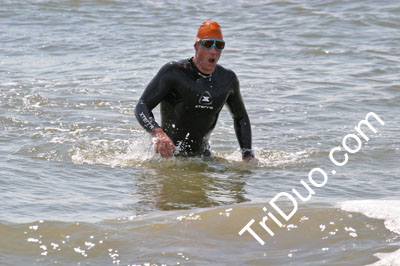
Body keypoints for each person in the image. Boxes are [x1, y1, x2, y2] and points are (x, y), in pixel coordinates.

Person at [135, 21, 254, 161]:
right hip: (167, 155)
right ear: (196, 46)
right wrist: (157, 132)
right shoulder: (174, 72)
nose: (214, 51)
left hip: (202, 157)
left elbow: (240, 117)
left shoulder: (227, 80)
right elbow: (142, 105)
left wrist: (247, 154)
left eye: (219, 46)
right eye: (208, 44)